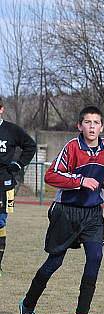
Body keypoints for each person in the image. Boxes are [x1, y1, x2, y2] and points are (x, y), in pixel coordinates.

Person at [19, 106, 104, 314]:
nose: (92, 127)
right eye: (87, 122)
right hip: (66, 212)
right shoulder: (72, 147)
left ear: (101, 127)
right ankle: (27, 305)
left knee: (95, 258)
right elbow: (51, 175)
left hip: (93, 214)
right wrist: (80, 181)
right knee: (55, 262)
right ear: (79, 126)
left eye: (96, 123)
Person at [0, 98, 37, 276]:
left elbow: (30, 146)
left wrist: (19, 164)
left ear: (1, 109)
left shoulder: (12, 130)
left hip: (4, 183)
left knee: (0, 222)